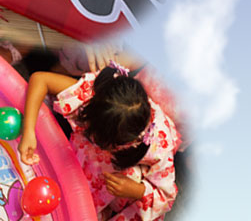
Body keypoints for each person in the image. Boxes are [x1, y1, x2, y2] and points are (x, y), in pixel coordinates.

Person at [18, 57, 179, 220]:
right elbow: (41, 79)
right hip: (90, 153)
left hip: (119, 175)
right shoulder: (98, 92)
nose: (97, 145)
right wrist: (29, 130)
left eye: (105, 145)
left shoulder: (157, 145)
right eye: (92, 135)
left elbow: (166, 196)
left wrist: (136, 190)